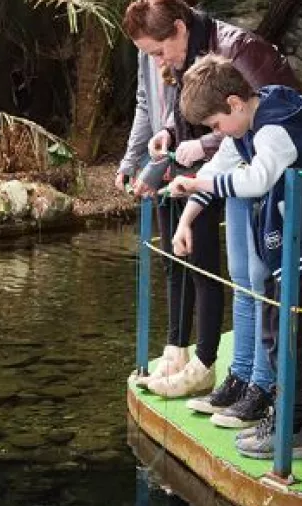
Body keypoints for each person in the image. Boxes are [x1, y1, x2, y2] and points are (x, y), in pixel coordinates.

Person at [121, 0, 299, 425]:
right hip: (235, 176)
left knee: (264, 286)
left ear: (179, 29)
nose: (159, 63)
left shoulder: (241, 52)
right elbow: (226, 139)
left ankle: (268, 389)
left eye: (159, 51)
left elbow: (256, 129)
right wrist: (171, 135)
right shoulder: (191, 58)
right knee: (242, 280)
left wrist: (201, 151)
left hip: (272, 187)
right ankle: (241, 377)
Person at [167, 54, 302, 459]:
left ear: (233, 104)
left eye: (215, 125)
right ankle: (283, 419)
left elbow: (257, 179)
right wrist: (187, 220)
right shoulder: (245, 125)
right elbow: (217, 169)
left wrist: (199, 179)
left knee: (287, 337)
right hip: (289, 236)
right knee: (275, 330)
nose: (217, 133)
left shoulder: (273, 128)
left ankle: (292, 430)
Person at [118, 39, 194, 388]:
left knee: (200, 262)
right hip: (162, 162)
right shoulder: (144, 49)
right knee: (170, 259)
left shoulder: (194, 39)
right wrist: (132, 161)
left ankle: (201, 358)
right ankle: (176, 346)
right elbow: (145, 105)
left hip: (196, 164)